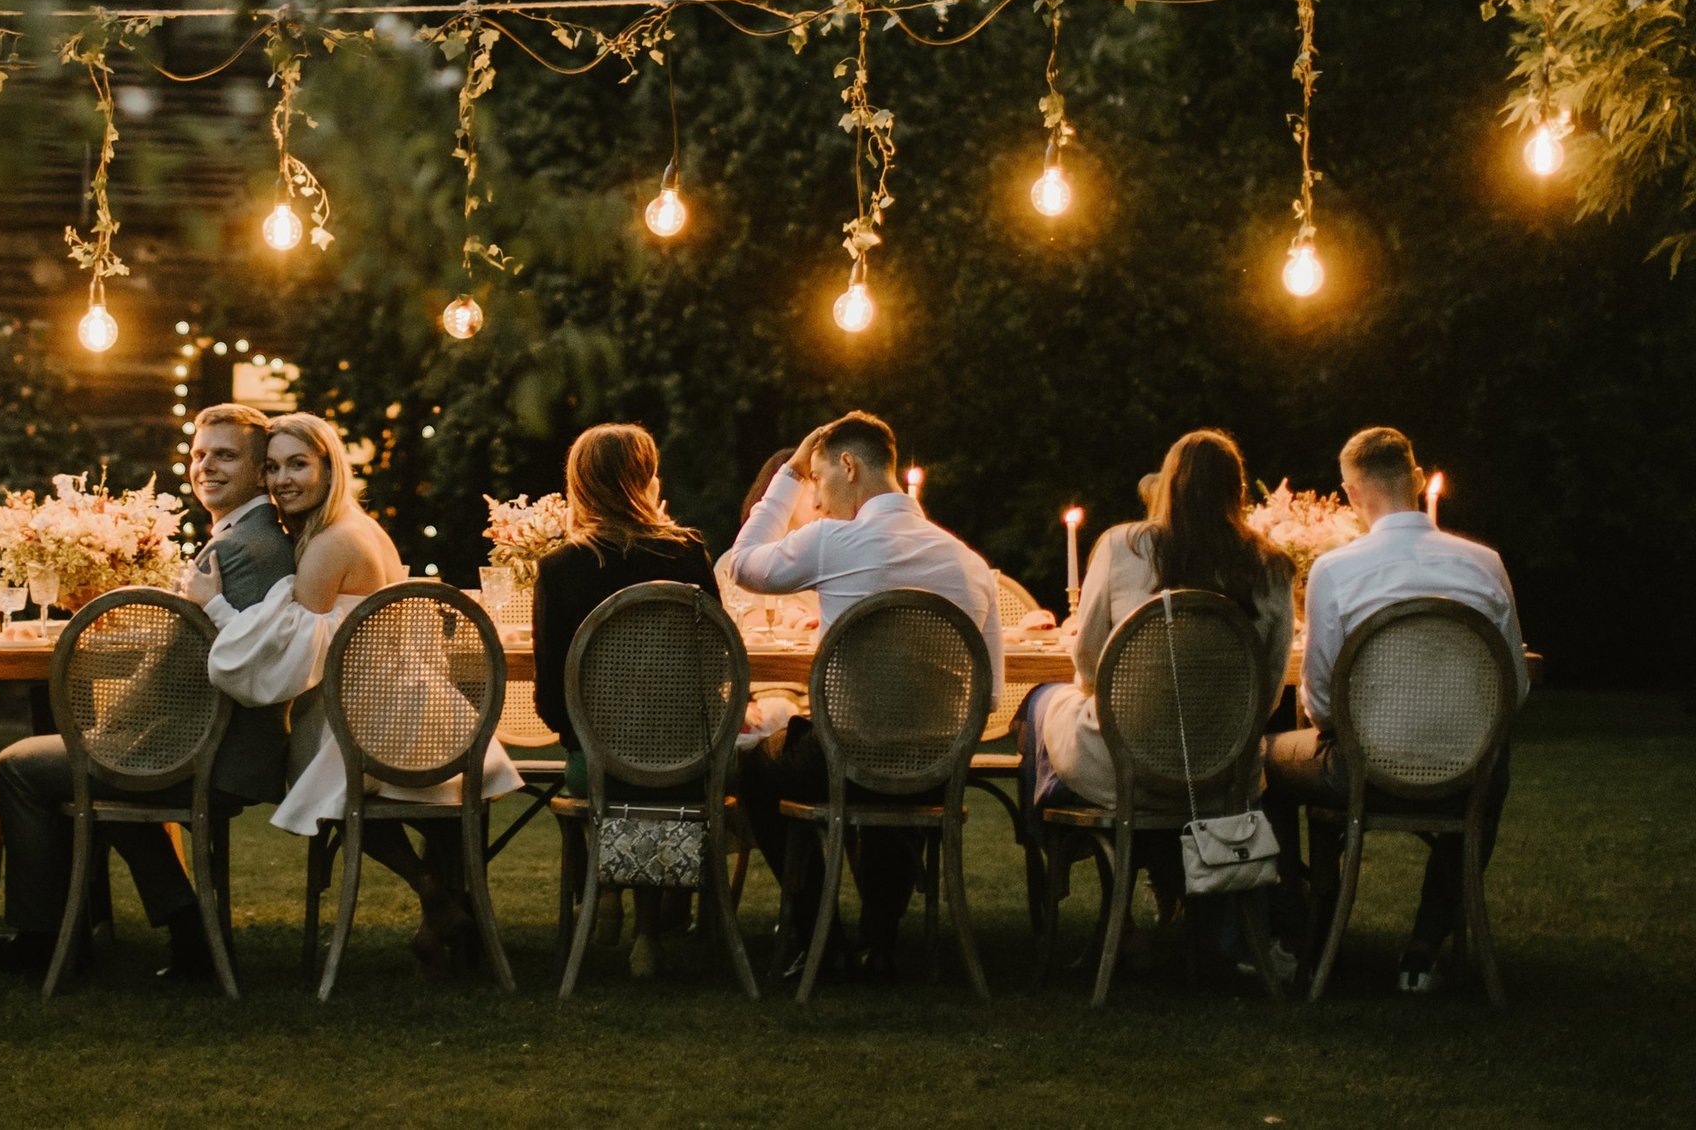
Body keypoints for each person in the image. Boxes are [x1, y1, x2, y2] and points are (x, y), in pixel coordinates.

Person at [0, 403, 296, 984]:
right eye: (199, 454)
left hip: (215, 750)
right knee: (103, 765)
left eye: (225, 455)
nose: (206, 467)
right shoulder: (258, 537)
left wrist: (111, 720)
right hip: (224, 740)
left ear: (259, 471)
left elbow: (173, 675)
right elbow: (188, 658)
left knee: (21, 765)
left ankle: (42, 940)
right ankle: (187, 926)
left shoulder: (239, 549)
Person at [208, 412, 523, 977]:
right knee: (430, 813)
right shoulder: (359, 526)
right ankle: (444, 915)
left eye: (298, 465)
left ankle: (431, 891)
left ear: (330, 467)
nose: (282, 480)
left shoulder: (329, 544)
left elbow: (284, 660)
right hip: (426, 709)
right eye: (274, 467)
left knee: (316, 779)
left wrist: (212, 604)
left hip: (371, 719)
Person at [716, 411, 1004, 980]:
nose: (817, 500)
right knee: (895, 764)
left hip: (842, 760)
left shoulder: (832, 542)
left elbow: (737, 566)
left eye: (820, 481)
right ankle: (881, 941)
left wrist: (789, 476)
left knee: (758, 767)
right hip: (935, 767)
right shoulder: (971, 566)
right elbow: (989, 696)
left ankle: (815, 934)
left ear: (847, 466)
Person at [1015, 428, 1293, 968]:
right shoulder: (1271, 566)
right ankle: (1174, 894)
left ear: (1168, 486)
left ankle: (1059, 862)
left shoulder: (1124, 546)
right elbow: (1271, 683)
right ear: (1237, 492)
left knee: (1042, 701)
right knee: (1055, 708)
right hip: (1221, 773)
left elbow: (1090, 659)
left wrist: (1120, 699)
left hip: (1127, 765)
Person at [1264, 426, 1527, 993]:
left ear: (1353, 494)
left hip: (1360, 768)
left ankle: (1294, 927)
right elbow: (1514, 688)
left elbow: (1323, 703)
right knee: (1491, 772)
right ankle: (1423, 950)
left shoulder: (1335, 571)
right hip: (1466, 769)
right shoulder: (1485, 563)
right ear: (1414, 478)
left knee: (1266, 761)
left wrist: (1338, 726)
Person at [531, 422, 719, 976]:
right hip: (685, 755)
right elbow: (713, 665)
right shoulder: (688, 555)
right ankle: (648, 931)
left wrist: (585, 740)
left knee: (601, 775)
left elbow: (550, 692)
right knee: (667, 774)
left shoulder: (562, 568)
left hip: (601, 762)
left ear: (579, 486)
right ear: (646, 478)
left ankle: (606, 887)